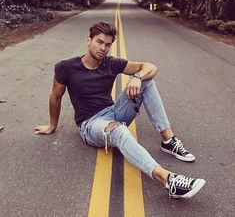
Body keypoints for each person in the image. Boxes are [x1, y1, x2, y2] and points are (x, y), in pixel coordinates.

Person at [35, 21, 206, 199]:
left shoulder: (110, 63)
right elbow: (56, 96)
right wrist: (51, 125)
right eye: (99, 42)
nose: (103, 48)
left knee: (147, 80)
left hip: (114, 111)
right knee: (120, 131)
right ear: (89, 40)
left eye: (108, 45)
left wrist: (137, 77)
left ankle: (168, 141)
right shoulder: (66, 67)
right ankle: (168, 180)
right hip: (91, 124)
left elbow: (151, 67)